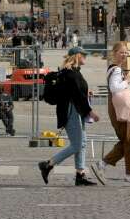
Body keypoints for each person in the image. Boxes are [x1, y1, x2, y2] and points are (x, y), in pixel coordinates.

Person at [38, 46, 98, 186]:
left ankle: (80, 174)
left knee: (82, 144)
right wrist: (90, 111)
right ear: (76, 56)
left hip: (76, 110)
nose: (85, 57)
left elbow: (77, 93)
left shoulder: (74, 72)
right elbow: (77, 96)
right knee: (77, 145)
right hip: (72, 111)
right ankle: (48, 164)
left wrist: (87, 93)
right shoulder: (71, 74)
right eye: (83, 54)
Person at [94, 42, 130, 186]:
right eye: (121, 52)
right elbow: (115, 87)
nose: (124, 55)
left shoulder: (115, 69)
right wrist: (127, 81)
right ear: (114, 52)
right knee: (129, 142)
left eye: (126, 52)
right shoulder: (116, 70)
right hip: (121, 110)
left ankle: (103, 164)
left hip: (120, 109)